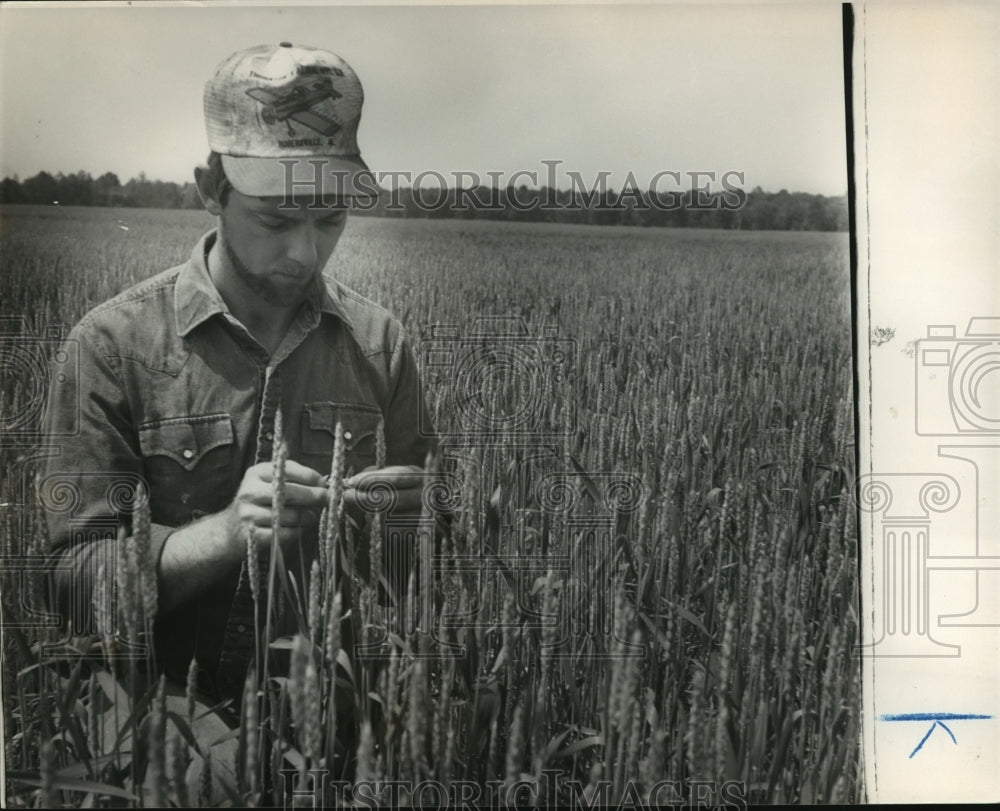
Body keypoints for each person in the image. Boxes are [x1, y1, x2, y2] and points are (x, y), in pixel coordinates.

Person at [39, 42, 433, 796]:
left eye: (329, 217)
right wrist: (222, 535)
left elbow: (421, 581)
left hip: (329, 699)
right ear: (210, 186)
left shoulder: (380, 345)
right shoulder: (109, 347)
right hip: (151, 703)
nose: (303, 250)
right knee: (222, 777)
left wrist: (414, 532)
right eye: (277, 217)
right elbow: (67, 584)